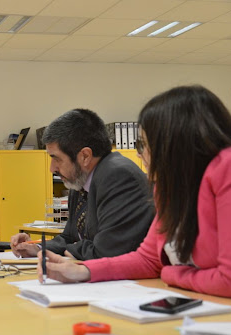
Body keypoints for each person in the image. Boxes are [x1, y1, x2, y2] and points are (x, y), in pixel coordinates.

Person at [40, 85, 231, 299]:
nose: (140, 154)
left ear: (174, 142)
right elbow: (149, 259)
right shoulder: (171, 187)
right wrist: (84, 271)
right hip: (209, 304)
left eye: (143, 144)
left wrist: (173, 274)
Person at [11, 109, 154, 260]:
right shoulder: (80, 180)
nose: (52, 168)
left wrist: (70, 249)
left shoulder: (118, 176)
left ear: (85, 156)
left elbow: (106, 251)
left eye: (56, 158)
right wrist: (38, 248)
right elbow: (69, 237)